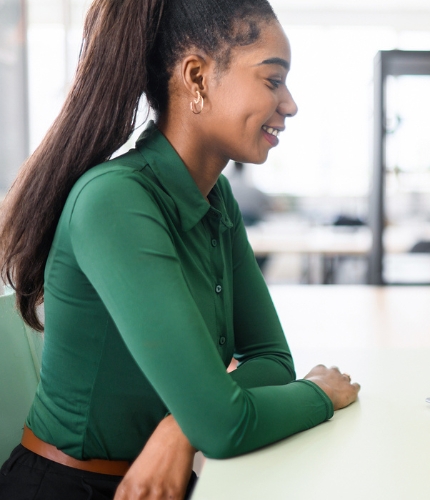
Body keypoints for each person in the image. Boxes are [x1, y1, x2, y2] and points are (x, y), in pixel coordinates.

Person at [0, 1, 360, 499]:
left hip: (162, 482)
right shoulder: (115, 201)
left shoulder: (216, 196)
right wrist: (316, 393)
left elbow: (272, 358)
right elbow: (225, 425)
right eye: (272, 80)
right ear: (196, 77)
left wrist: (181, 427)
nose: (290, 104)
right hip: (69, 488)